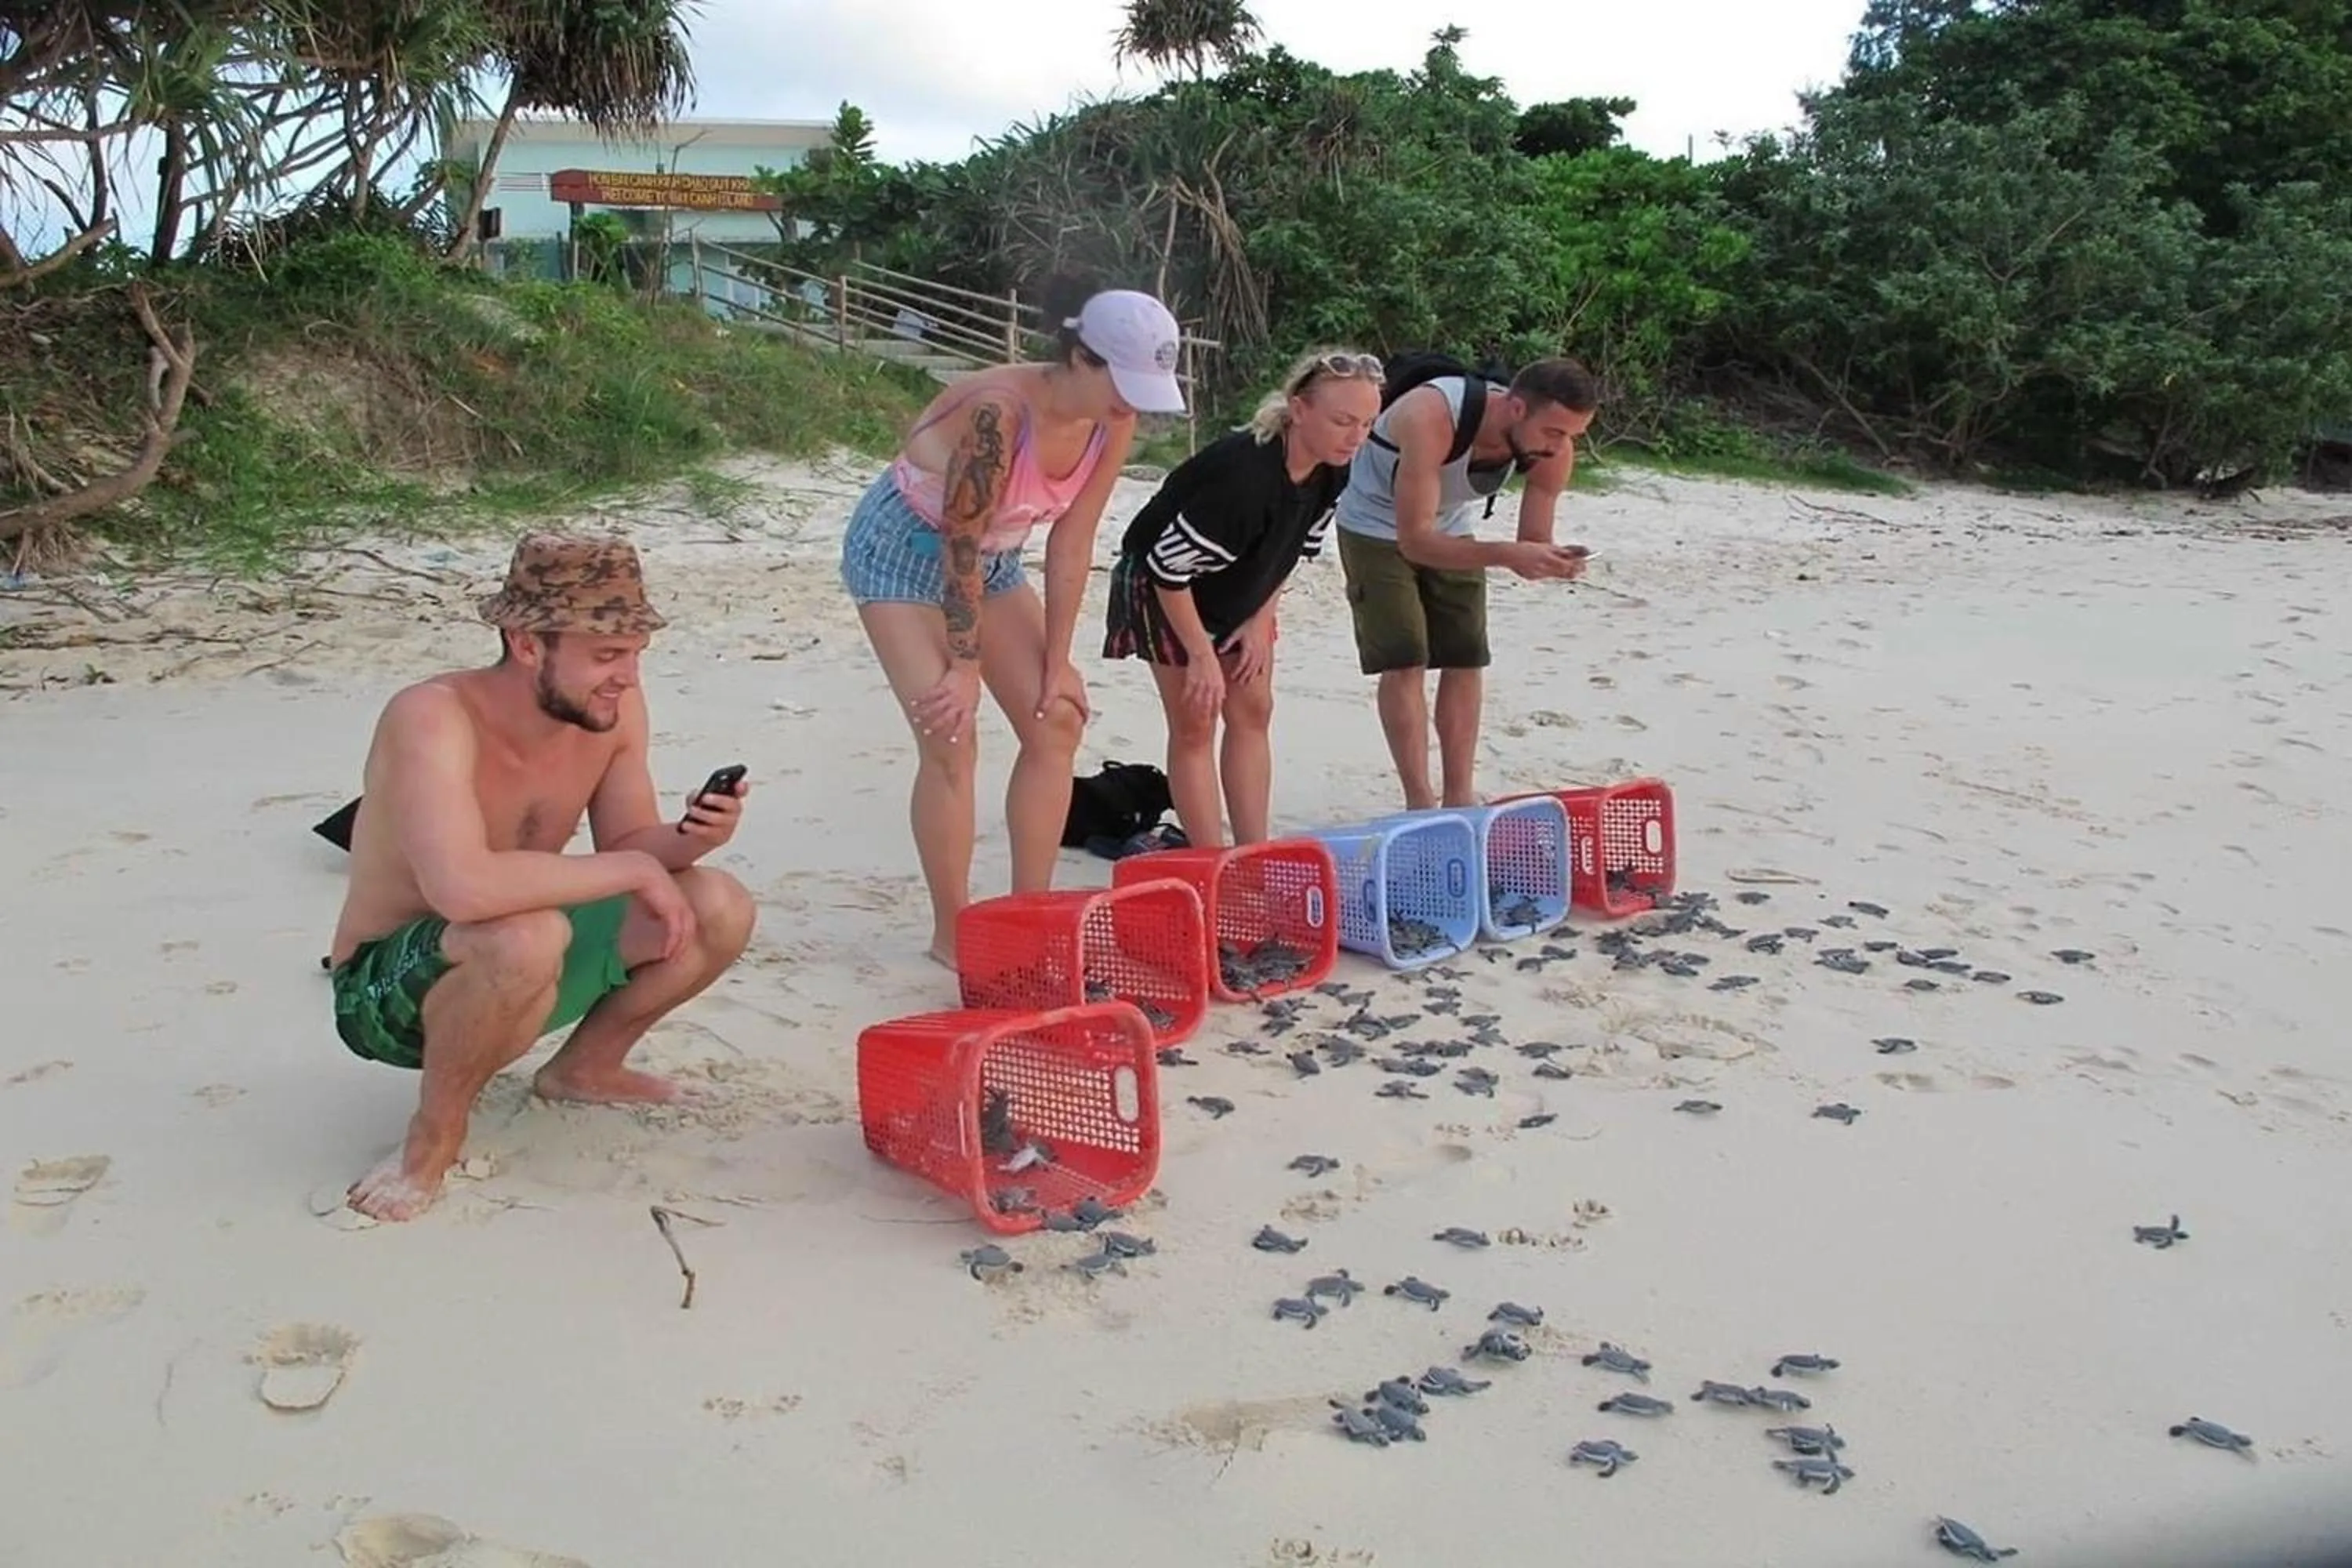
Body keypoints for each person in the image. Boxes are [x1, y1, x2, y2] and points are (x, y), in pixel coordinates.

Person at [325, 532, 758, 1222]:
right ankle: (432, 1138)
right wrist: (638, 866)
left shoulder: (607, 711)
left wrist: (688, 840)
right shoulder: (432, 716)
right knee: (525, 935)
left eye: (637, 654)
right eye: (608, 655)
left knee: (718, 903)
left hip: (522, 955)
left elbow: (627, 847)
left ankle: (585, 1070)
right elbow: (461, 890)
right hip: (386, 990)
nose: (628, 676)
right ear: (527, 644)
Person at [840, 281, 1188, 964]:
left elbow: (1072, 538)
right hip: (903, 553)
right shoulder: (999, 414)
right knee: (951, 733)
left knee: (1056, 717)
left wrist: (1057, 659)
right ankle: (953, 931)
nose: (1134, 404)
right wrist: (964, 668)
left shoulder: (1112, 420)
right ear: (1081, 358)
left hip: (996, 560)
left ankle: (1029, 912)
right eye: (1125, 382)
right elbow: (958, 541)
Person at [1103, 347, 1385, 845]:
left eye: (1367, 424)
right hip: (1164, 586)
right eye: (1343, 421)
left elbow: (1294, 549)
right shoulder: (1244, 479)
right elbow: (1167, 569)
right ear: (1299, 409)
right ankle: (1211, 863)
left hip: (1243, 585)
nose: (1356, 437)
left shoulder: (1334, 468)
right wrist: (1201, 655)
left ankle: (1253, 850)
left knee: (1254, 709)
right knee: (1196, 722)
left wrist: (1259, 619)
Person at [1330, 357, 1599, 809]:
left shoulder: (1555, 448)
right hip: (1375, 525)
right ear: (1515, 409)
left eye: (1572, 436)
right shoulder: (1431, 415)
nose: (1560, 448)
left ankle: (1459, 796)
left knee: (1466, 656)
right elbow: (1415, 541)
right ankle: (1419, 800)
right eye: (1553, 432)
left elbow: (1531, 542)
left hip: (1450, 524)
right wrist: (1506, 555)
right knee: (1405, 658)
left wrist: (1548, 560)